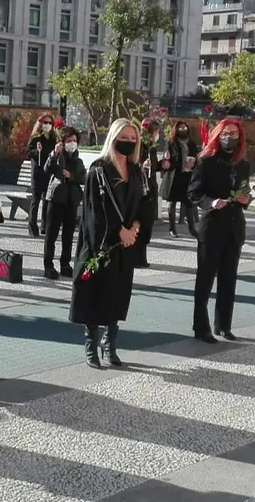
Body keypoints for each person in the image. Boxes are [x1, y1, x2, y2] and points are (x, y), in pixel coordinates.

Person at [70, 119, 149, 369]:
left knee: (118, 295)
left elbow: (147, 205)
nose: (128, 142)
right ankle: (91, 346)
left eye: (133, 138)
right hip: (100, 245)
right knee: (95, 294)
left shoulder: (137, 171)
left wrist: (135, 228)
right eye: (123, 137)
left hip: (126, 246)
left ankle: (110, 343)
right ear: (113, 137)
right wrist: (118, 234)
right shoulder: (99, 170)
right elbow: (95, 212)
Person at [188, 118, 251, 342]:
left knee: (228, 278)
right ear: (218, 135)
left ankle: (223, 324)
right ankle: (201, 327)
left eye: (234, 134)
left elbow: (245, 191)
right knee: (205, 278)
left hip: (234, 228)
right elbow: (194, 193)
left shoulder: (243, 164)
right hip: (212, 226)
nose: (229, 138)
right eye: (225, 133)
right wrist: (211, 203)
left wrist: (245, 199)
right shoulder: (206, 161)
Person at [43, 126, 86, 280]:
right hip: (56, 199)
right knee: (51, 235)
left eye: (74, 141)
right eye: (69, 141)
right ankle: (48, 265)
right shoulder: (57, 156)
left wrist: (71, 176)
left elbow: (83, 178)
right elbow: (48, 169)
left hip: (71, 201)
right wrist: (54, 154)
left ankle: (65, 264)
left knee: (68, 236)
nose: (72, 143)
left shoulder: (78, 160)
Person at [160, 120, 198, 238]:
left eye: (185, 128)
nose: (183, 130)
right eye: (180, 128)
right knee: (172, 203)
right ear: (176, 130)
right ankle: (172, 229)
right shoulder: (171, 143)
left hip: (187, 176)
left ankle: (192, 229)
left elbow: (196, 157)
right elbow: (167, 159)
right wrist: (167, 161)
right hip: (174, 176)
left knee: (189, 203)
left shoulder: (191, 143)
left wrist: (193, 163)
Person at [134, 120, 163, 268]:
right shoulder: (140, 146)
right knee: (142, 222)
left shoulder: (151, 148)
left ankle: (142, 256)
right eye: (156, 131)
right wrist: (142, 166)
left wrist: (163, 164)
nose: (158, 134)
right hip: (142, 188)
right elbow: (134, 164)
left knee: (148, 223)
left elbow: (154, 166)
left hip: (151, 186)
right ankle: (137, 256)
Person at [26, 113, 58, 236]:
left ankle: (44, 226)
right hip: (37, 173)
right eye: (45, 122)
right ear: (41, 124)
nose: (47, 125)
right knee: (36, 200)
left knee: (47, 200)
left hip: (48, 173)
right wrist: (36, 151)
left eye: (50, 123)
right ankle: (32, 227)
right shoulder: (36, 138)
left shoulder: (53, 138)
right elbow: (28, 153)